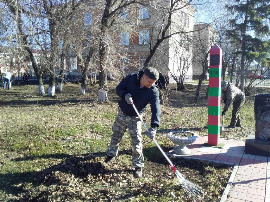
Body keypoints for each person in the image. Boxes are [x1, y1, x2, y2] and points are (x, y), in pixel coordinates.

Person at [105, 67, 161, 178]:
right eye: (150, 82)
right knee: (116, 134)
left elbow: (156, 109)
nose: (151, 84)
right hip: (123, 112)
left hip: (136, 117)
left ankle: (138, 166)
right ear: (144, 77)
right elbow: (119, 88)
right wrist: (124, 95)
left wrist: (154, 126)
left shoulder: (153, 91)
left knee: (137, 141)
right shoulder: (131, 78)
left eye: (153, 83)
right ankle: (111, 154)